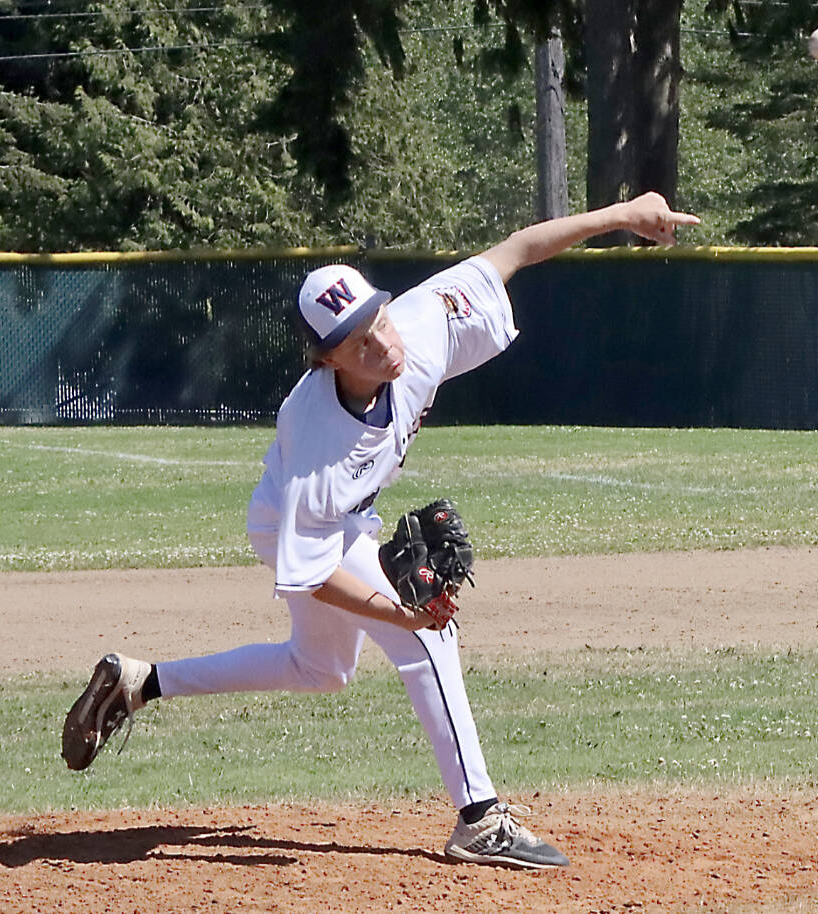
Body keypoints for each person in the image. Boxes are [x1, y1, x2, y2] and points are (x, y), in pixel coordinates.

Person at [61, 192, 701, 869]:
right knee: (428, 638)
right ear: (327, 360)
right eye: (358, 342)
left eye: (379, 320)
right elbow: (308, 571)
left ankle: (139, 683)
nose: (381, 342)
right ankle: (480, 820)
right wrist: (400, 612)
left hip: (348, 516)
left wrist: (624, 213)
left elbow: (512, 252)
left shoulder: (416, 329)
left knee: (320, 670)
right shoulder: (317, 443)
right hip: (297, 526)